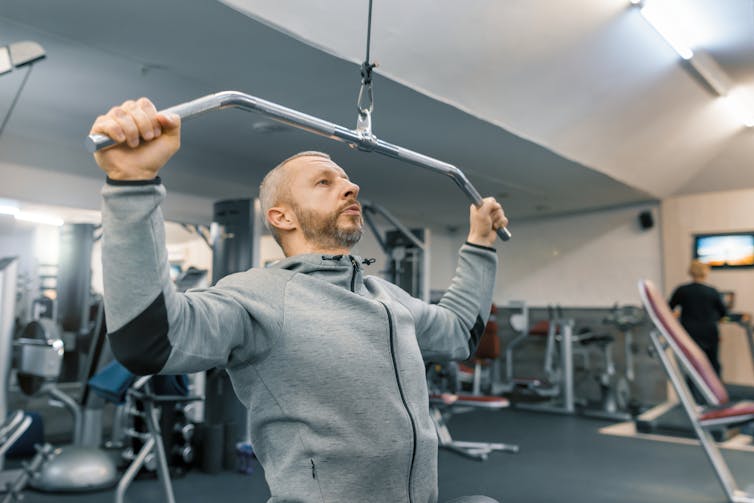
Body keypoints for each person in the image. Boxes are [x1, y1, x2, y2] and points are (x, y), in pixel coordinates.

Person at [90, 97, 507, 503]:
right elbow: (150, 341)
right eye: (325, 181)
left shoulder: (386, 297)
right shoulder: (257, 297)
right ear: (282, 217)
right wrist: (132, 186)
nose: (350, 187)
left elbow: (458, 335)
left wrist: (481, 246)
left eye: (346, 180)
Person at [669, 260, 727, 376]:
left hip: (689, 332)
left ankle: (690, 392)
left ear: (690, 272)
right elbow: (723, 313)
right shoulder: (712, 291)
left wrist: (678, 314)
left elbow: (669, 308)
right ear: (705, 273)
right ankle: (715, 391)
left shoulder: (682, 290)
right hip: (709, 332)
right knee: (712, 363)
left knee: (691, 364)